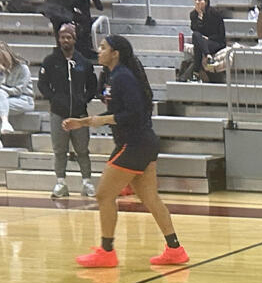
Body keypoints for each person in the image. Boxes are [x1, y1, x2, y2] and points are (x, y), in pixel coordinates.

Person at [67, 35, 188, 268]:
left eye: (103, 47)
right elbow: (120, 112)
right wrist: (84, 122)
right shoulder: (113, 75)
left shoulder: (123, 77)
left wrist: (97, 121)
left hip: (135, 144)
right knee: (150, 198)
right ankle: (175, 250)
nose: (99, 50)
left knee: (104, 195)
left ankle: (107, 251)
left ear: (116, 53)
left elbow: (133, 114)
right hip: (140, 143)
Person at [39, 23, 96, 197]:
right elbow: (42, 84)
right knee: (59, 150)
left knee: (82, 150)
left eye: (69, 37)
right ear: (58, 39)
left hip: (79, 115)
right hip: (58, 113)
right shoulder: (50, 61)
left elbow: (92, 85)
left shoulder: (83, 62)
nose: (65, 40)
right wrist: (54, 98)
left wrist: (83, 100)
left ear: (74, 39)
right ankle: (60, 183)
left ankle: (87, 182)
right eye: (62, 37)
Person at [189, 0, 226, 82]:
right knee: (196, 35)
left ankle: (195, 73)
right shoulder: (193, 15)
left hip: (215, 42)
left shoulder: (215, 13)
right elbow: (195, 29)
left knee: (198, 45)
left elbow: (221, 35)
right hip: (202, 42)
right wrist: (200, 16)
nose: (197, 2)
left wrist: (209, 38)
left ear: (206, 1)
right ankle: (208, 56)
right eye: (196, 0)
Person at [0, 40, 34, 142]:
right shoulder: (1, 71)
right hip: (5, 100)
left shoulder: (23, 68)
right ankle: (5, 123)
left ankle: (5, 123)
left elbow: (18, 91)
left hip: (24, 100)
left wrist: (1, 88)